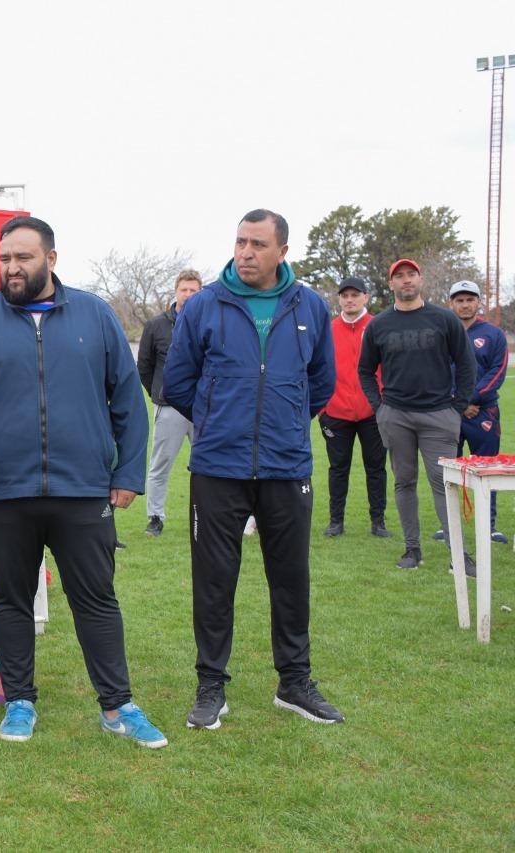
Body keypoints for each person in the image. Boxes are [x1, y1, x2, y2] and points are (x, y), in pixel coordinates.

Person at [0, 215, 166, 749]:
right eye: (4, 259)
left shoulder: (95, 316)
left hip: (82, 489)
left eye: (23, 258)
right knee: (9, 598)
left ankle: (117, 705)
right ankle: (20, 701)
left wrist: (127, 472)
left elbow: (129, 401)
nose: (12, 268)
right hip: (3, 491)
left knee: (96, 599)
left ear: (51, 259)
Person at [164, 209, 344, 729]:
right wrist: (222, 422)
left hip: (287, 467)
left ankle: (294, 683)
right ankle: (210, 686)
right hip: (218, 467)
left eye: (258, 244)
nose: (246, 252)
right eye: (241, 242)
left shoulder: (309, 305)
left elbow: (322, 382)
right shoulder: (203, 306)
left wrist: (284, 422)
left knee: (291, 578)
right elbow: (178, 383)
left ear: (282, 251)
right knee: (214, 582)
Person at [357, 259, 476, 572]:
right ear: (391, 284)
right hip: (396, 416)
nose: (406, 280)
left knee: (443, 484)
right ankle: (412, 550)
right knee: (404, 483)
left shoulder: (444, 319)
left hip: (439, 415)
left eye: (411, 274)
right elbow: (365, 370)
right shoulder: (379, 325)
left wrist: (457, 405)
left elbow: (466, 363)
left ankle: (459, 555)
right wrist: (379, 408)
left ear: (420, 280)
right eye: (400, 276)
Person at [432, 279, 507, 543]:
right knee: (449, 473)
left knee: (487, 471)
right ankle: (449, 525)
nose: (465, 305)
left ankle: (488, 525)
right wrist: (459, 404)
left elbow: (496, 373)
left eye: (470, 300)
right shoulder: (441, 333)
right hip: (449, 412)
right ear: (450, 303)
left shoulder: (493, 334)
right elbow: (434, 372)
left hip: (483, 413)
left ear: (478, 302)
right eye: (460, 300)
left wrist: (467, 401)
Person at [318, 276, 390, 538]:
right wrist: (322, 408)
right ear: (339, 299)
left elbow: (388, 368)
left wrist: (382, 404)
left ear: (365, 297)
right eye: (345, 295)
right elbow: (317, 368)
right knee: (338, 468)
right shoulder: (327, 329)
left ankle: (378, 521)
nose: (349, 300)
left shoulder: (377, 327)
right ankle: (336, 521)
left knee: (376, 468)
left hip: (372, 412)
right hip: (335, 412)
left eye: (355, 295)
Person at [137, 269, 203, 537]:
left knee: (210, 466)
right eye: (184, 289)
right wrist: (158, 394)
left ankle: (209, 516)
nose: (188, 295)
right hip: (170, 407)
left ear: (201, 293)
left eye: (193, 291)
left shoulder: (208, 321)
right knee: (160, 465)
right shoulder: (156, 325)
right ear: (175, 290)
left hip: (203, 408)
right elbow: (145, 366)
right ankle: (155, 517)